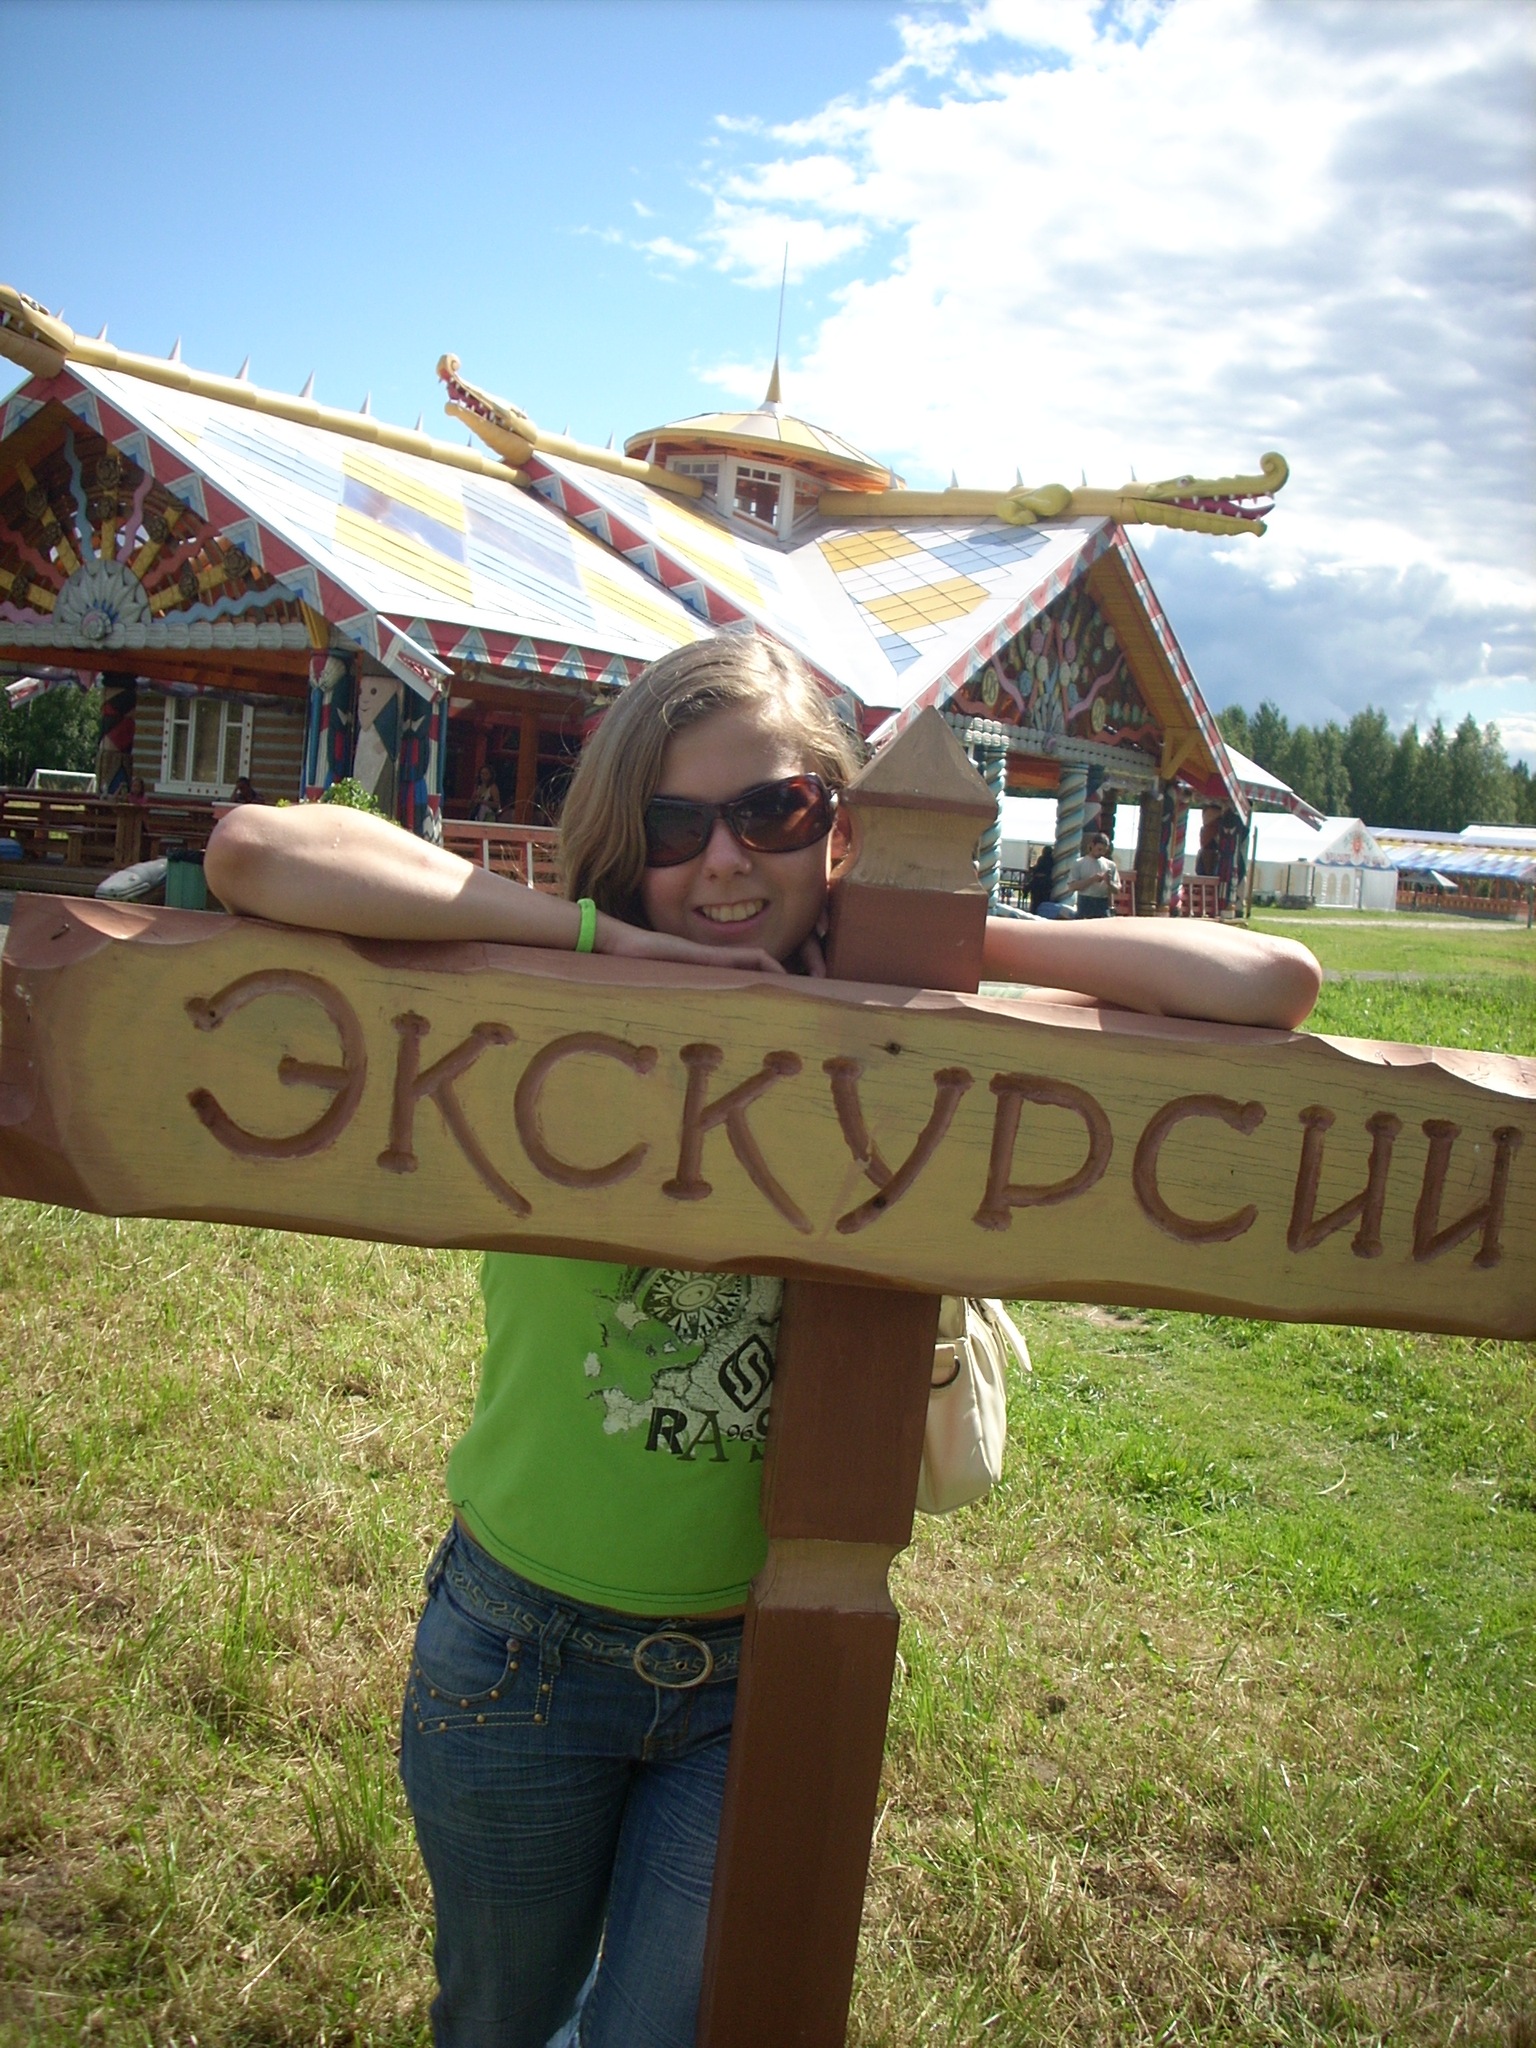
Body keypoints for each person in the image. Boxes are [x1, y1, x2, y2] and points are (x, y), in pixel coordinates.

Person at [205, 636, 1320, 2048]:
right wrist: (609, 941)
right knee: (499, 2020)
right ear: (628, 838)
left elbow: (1271, 979)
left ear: (837, 825)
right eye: (675, 824)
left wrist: (936, 940)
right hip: (515, 1649)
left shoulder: (905, 1016)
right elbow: (254, 853)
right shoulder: (545, 982)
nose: (725, 859)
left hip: (755, 1671)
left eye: (773, 812)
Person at [1068, 830, 1119, 918]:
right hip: (1085, 902)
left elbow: (1116, 890)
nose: (1101, 853)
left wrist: (1109, 883)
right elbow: (1072, 886)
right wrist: (1092, 880)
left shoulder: (1110, 865)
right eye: (1099, 849)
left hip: (1102, 903)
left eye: (1104, 850)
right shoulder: (1079, 863)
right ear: (1092, 845)